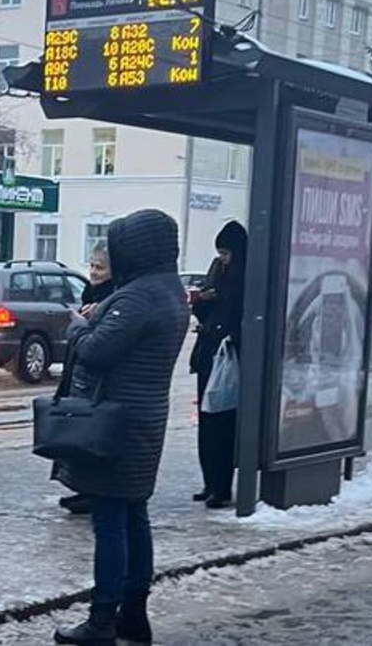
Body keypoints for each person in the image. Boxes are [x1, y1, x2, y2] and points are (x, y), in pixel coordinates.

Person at [52, 209, 188, 646]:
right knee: (134, 515)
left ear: (136, 250)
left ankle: (101, 621)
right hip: (145, 419)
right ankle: (134, 616)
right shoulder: (171, 290)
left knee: (110, 521)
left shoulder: (136, 297)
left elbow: (95, 352)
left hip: (115, 424)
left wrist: (80, 327)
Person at [189, 221, 248, 510]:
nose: (223, 258)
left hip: (229, 358)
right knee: (207, 421)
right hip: (208, 355)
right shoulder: (218, 271)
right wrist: (202, 301)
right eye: (220, 253)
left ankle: (221, 486)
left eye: (227, 253)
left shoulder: (245, 276)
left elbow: (241, 316)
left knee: (222, 424)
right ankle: (210, 481)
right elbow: (204, 310)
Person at [53, 242, 115, 514]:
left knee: (88, 434)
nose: (94, 272)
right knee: (77, 432)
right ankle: (80, 488)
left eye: (100, 267)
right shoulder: (92, 290)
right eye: (91, 266)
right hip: (76, 368)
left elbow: (103, 339)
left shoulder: (115, 296)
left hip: (94, 376)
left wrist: (87, 321)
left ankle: (90, 492)